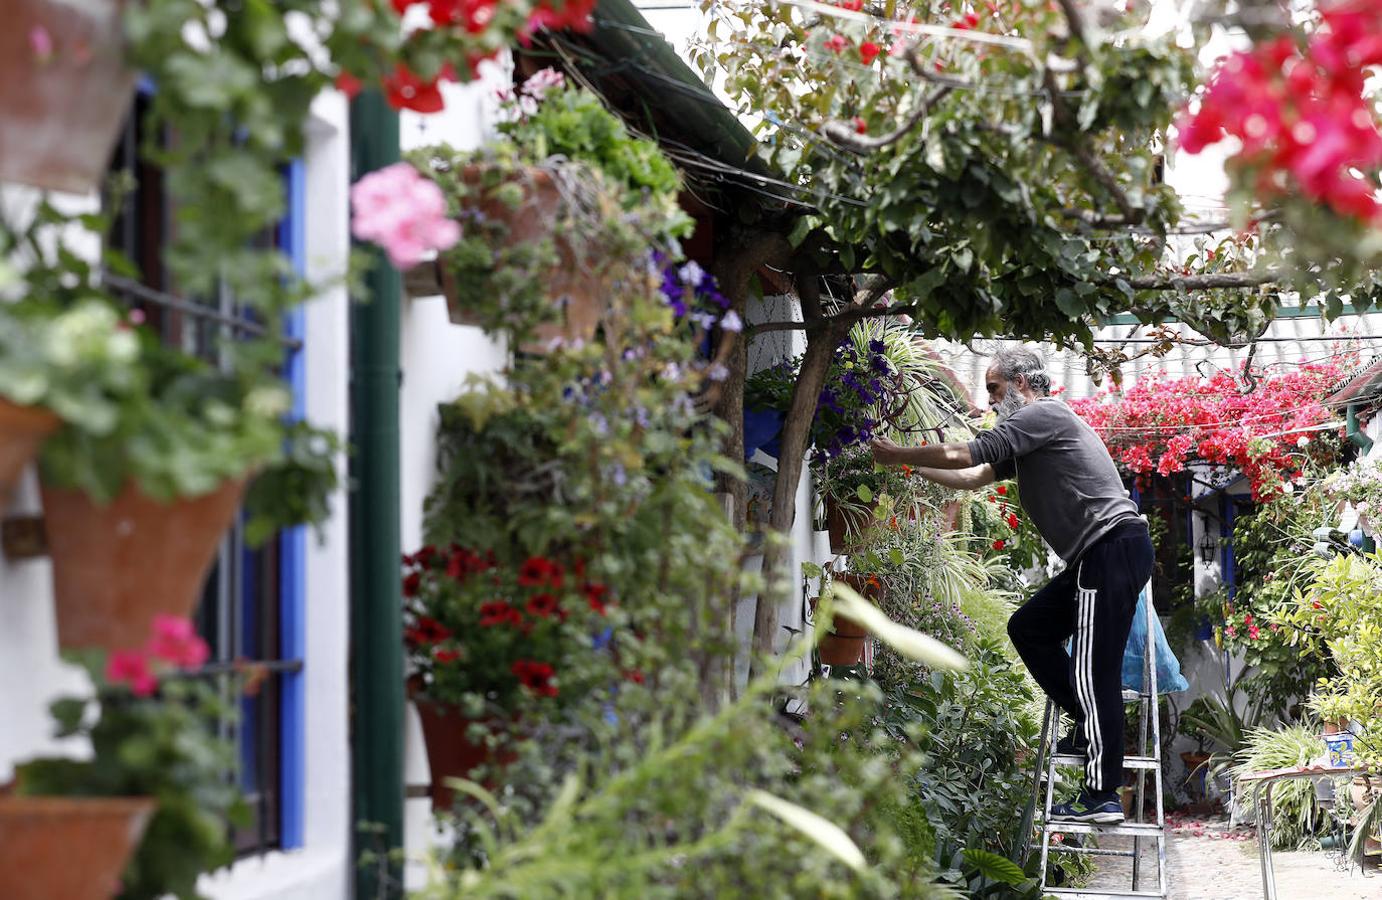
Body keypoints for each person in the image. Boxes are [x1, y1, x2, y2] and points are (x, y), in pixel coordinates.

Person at [870, 346, 1153, 824]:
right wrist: (906, 466)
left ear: (1021, 383)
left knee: (1092, 670)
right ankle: (1086, 725)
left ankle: (1102, 794)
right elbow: (975, 475)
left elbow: (969, 451)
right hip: (1103, 554)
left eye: (995, 390)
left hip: (1110, 548)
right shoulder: (1032, 435)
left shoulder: (1044, 414)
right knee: (1030, 627)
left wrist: (898, 450)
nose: (991, 402)